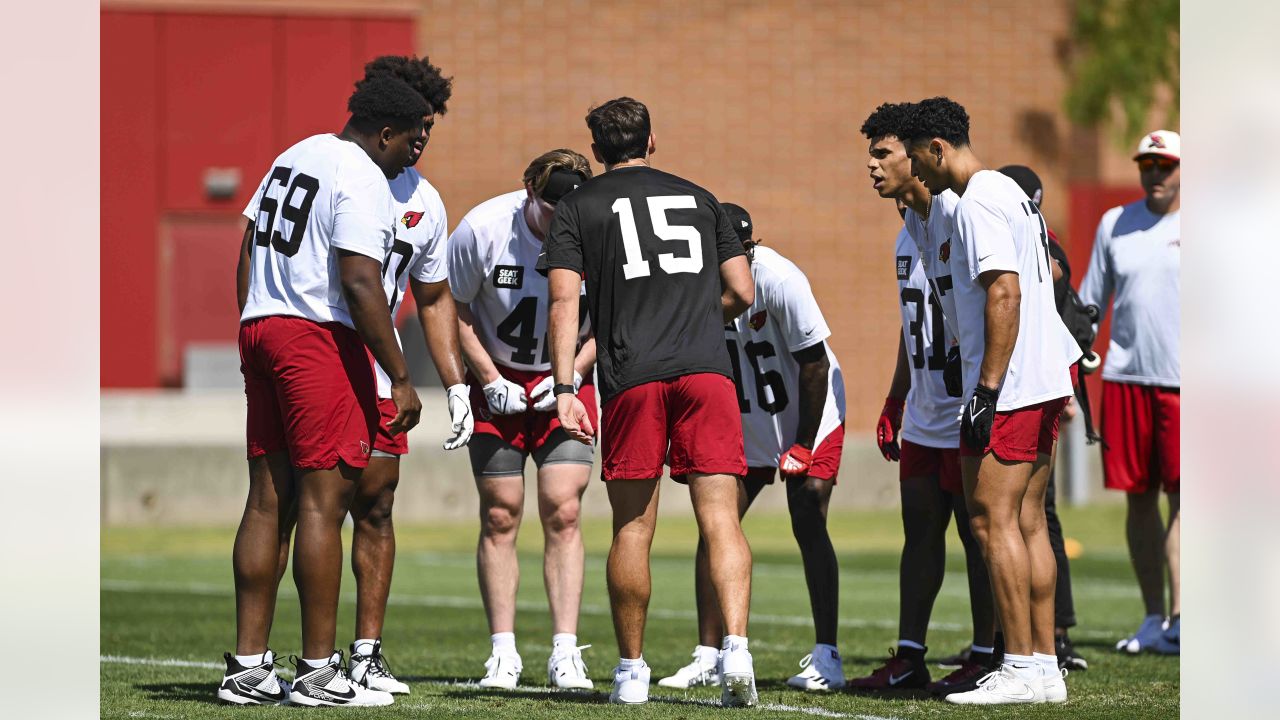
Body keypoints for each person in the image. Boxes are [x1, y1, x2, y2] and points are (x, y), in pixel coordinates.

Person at [542, 97, 757, 706]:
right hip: (707, 372)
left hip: (633, 374)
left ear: (595, 149)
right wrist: (694, 319)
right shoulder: (700, 196)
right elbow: (741, 289)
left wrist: (564, 387)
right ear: (652, 141)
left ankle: (632, 672)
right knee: (721, 519)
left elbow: (564, 304)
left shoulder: (577, 206)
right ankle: (735, 650)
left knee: (633, 527)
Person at [220, 76, 427, 707]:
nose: (411, 156)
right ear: (385, 132)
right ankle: (317, 672)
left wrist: (252, 322)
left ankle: (249, 668)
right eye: (411, 142)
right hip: (314, 337)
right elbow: (362, 281)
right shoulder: (360, 172)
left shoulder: (295, 153)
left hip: (263, 326)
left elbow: (248, 248)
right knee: (321, 504)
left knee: (265, 500)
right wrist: (397, 373)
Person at [901, 97, 1080, 705]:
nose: (917, 173)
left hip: (1012, 385)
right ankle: (1046, 666)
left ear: (937, 148)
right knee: (1030, 522)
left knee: (989, 520)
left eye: (917, 157)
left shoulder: (976, 199)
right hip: (1047, 375)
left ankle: (1021, 664)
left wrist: (985, 389)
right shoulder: (1008, 188)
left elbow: (1003, 291)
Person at [659, 203, 848, 693]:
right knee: (716, 520)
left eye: (740, 251)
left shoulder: (781, 279)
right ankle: (707, 654)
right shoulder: (695, 284)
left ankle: (827, 655)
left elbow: (814, 365)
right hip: (749, 419)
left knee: (808, 511)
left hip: (810, 412)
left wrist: (804, 444)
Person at [848, 102, 996, 697]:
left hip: (968, 404)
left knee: (980, 533)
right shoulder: (905, 235)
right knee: (920, 532)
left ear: (916, 156)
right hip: (925, 409)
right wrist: (894, 397)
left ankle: (989, 653)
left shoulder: (962, 216)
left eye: (882, 154)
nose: (873, 166)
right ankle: (910, 657)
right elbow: (915, 326)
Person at [341, 55, 474, 697]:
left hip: (380, 363)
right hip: (325, 352)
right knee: (303, 503)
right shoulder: (334, 168)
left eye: (432, 120)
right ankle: (292, 660)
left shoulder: (422, 197)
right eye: (415, 117)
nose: (424, 132)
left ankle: (365, 652)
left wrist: (455, 385)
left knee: (378, 499)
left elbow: (433, 295)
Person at [446, 149, 598, 690]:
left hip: (566, 380)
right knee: (501, 513)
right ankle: (503, 652)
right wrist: (488, 379)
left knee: (564, 510)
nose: (563, 220)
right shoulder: (484, 228)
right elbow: (453, 308)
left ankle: (564, 652)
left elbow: (609, 316)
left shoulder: (595, 228)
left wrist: (573, 375)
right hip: (500, 376)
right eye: (554, 208)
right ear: (531, 193)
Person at [1078, 130, 1181, 656]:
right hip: (1125, 380)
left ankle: (1185, 618)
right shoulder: (1114, 224)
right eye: (1147, 166)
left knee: (1187, 500)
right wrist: (1072, 360)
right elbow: (1089, 305)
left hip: (1189, 387)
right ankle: (1152, 617)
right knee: (1139, 500)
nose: (1155, 175)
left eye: (1165, 166)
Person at [996, 164, 1090, 670]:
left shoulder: (1035, 237)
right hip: (1041, 383)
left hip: (1028, 386)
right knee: (1027, 517)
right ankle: (1037, 646)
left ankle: (1044, 640)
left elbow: (1049, 279)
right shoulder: (1033, 233)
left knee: (1024, 516)